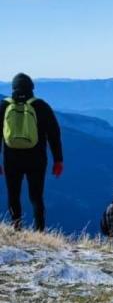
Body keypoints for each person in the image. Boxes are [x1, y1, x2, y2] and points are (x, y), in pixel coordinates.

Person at [1, 73, 63, 231]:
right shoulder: (41, 106)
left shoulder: (4, 106)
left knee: (13, 195)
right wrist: (58, 160)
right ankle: (40, 231)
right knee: (36, 197)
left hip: (11, 159)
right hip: (37, 160)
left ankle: (16, 228)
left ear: (13, 88)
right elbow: (54, 134)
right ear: (31, 88)